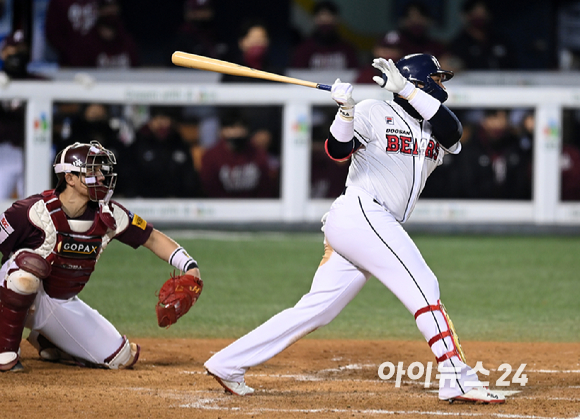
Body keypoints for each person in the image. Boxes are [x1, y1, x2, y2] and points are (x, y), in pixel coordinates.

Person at [204, 53, 506, 404]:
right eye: (436, 79)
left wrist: (408, 90)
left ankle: (227, 363)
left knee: (317, 309)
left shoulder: (434, 127)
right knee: (424, 285)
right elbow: (337, 150)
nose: (442, 86)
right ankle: (455, 376)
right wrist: (345, 111)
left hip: (370, 223)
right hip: (362, 212)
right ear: (423, 80)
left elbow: (453, 132)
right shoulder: (373, 111)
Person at [0, 141, 202, 372]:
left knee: (121, 357)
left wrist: (190, 266)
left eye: (101, 170)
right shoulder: (31, 211)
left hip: (59, 300)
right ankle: (5, 350)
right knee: (25, 275)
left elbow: (152, 238)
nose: (101, 177)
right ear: (70, 178)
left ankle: (47, 337)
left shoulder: (109, 214)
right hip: (10, 289)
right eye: (92, 171)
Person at [123, 106, 202, 198]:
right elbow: (130, 175)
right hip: (144, 201)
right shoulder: (138, 144)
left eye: (165, 119)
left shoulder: (180, 144)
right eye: (158, 119)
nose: (161, 124)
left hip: (175, 202)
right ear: (151, 121)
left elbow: (189, 178)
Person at [200, 108, 274, 198]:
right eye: (232, 127)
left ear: (247, 130)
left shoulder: (258, 154)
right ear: (222, 131)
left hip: (253, 208)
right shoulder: (211, 156)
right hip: (223, 208)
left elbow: (265, 189)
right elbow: (210, 190)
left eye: (240, 127)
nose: (236, 132)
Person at [62, 0, 139, 68]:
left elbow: (136, 67)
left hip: (124, 81)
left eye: (112, 7)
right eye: (105, 8)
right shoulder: (88, 41)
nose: (109, 11)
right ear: (98, 10)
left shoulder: (126, 40)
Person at [447, 0, 517, 70]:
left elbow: (513, 67)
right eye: (476, 13)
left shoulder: (501, 41)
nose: (480, 16)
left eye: (483, 13)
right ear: (466, 15)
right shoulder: (458, 44)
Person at [291, 0, 359, 70]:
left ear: (337, 19)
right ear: (314, 19)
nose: (325, 21)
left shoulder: (347, 49)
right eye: (321, 18)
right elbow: (298, 74)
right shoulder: (304, 49)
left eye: (329, 17)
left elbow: (354, 73)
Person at [44, 0, 100, 66]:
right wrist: (70, 52)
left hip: (103, 62)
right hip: (68, 63)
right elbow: (52, 32)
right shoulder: (59, 2)